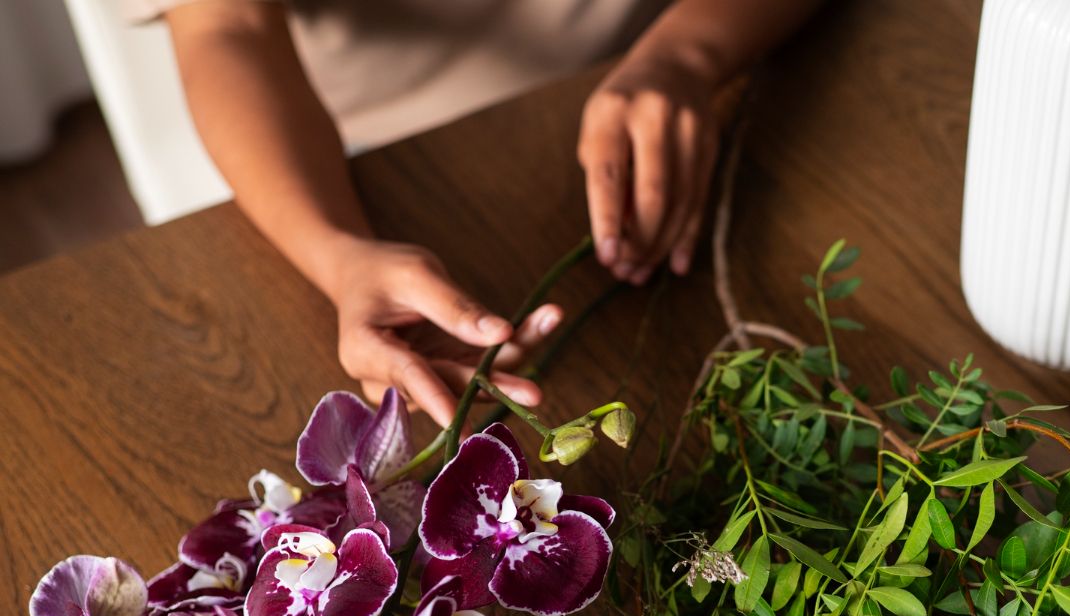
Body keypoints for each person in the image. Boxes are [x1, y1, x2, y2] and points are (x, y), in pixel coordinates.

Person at [125, 0, 821, 425]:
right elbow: (224, 23)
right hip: (398, 151)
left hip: (720, 59)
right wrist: (340, 257)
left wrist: (688, 56)